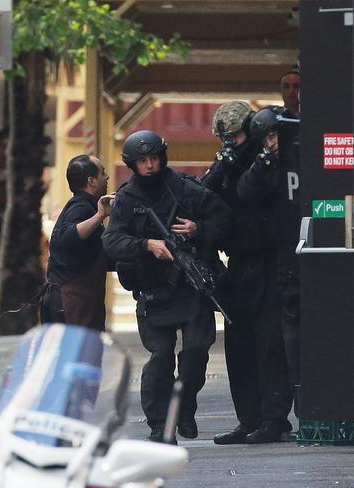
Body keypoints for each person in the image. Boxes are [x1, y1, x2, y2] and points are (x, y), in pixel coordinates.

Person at [102, 130, 231, 444]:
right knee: (160, 357)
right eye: (143, 161)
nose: (150, 166)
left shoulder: (185, 189)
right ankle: (160, 424)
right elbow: (111, 241)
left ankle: (184, 406)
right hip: (153, 291)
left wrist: (198, 229)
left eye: (154, 158)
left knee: (196, 353)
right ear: (133, 165)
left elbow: (225, 220)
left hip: (190, 287)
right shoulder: (128, 198)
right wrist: (147, 245)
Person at [203, 101, 293, 445]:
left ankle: (273, 418)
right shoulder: (227, 162)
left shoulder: (269, 161)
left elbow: (258, 194)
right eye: (226, 138)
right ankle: (248, 419)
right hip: (239, 260)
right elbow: (205, 193)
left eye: (238, 135)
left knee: (270, 344)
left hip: (270, 259)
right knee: (239, 346)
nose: (232, 142)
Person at [238, 106, 302, 396]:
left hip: (309, 252)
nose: (272, 143)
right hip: (282, 258)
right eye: (266, 139)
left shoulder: (304, 156)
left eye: (275, 136)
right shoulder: (264, 166)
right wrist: (261, 164)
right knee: (283, 338)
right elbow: (245, 192)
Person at [40, 154, 114, 331]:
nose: (107, 177)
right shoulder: (81, 207)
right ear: (92, 181)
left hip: (72, 303)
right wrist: (100, 216)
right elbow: (67, 236)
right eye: (103, 173)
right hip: (70, 304)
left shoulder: (83, 205)